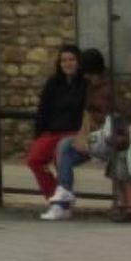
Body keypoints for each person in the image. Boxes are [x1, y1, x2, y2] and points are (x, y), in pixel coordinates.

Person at [42, 49, 117, 221]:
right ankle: (63, 199)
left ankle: (63, 199)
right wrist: (82, 136)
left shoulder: (109, 88)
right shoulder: (91, 87)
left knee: (64, 147)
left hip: (111, 137)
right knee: (65, 146)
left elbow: (119, 114)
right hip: (96, 137)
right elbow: (87, 114)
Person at [27, 45, 88, 201]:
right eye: (64, 60)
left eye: (71, 60)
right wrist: (38, 136)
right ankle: (54, 195)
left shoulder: (85, 84)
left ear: (79, 62)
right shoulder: (53, 83)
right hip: (52, 131)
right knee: (34, 159)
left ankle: (62, 203)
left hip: (74, 132)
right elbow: (43, 110)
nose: (67, 64)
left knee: (60, 155)